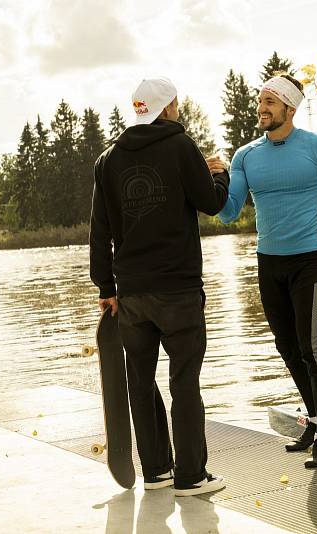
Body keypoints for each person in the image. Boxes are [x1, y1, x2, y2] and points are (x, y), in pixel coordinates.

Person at [212, 74, 317, 468]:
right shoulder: (245, 156)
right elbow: (228, 213)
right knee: (287, 347)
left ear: (289, 108)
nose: (262, 108)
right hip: (269, 263)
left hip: (309, 261)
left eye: (270, 102)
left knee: (313, 349)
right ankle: (316, 420)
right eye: (260, 101)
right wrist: (215, 180)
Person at [89, 77, 229, 496]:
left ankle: (155, 472)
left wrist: (105, 288)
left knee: (140, 379)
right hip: (179, 289)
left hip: (131, 294)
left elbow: (100, 229)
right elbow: (211, 202)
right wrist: (218, 175)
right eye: (178, 105)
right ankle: (191, 476)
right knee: (184, 380)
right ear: (166, 108)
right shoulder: (181, 146)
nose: (179, 111)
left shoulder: (107, 160)